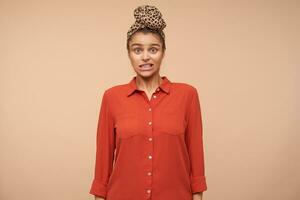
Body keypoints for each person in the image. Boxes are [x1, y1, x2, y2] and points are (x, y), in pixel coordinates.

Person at [89, 4, 207, 200]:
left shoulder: (187, 95)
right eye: (137, 50)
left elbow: (196, 156)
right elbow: (103, 161)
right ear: (129, 54)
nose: (145, 57)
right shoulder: (112, 98)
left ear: (163, 53)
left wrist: (198, 196)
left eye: (153, 49)